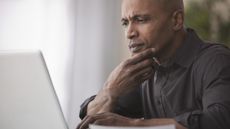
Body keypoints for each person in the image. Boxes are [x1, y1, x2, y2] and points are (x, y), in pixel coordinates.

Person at [77, 0, 230, 129]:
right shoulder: (144, 69)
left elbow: (220, 120)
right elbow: (97, 119)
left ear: (176, 20)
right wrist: (109, 91)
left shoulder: (215, 60)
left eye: (141, 20)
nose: (129, 32)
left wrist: (135, 124)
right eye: (125, 23)